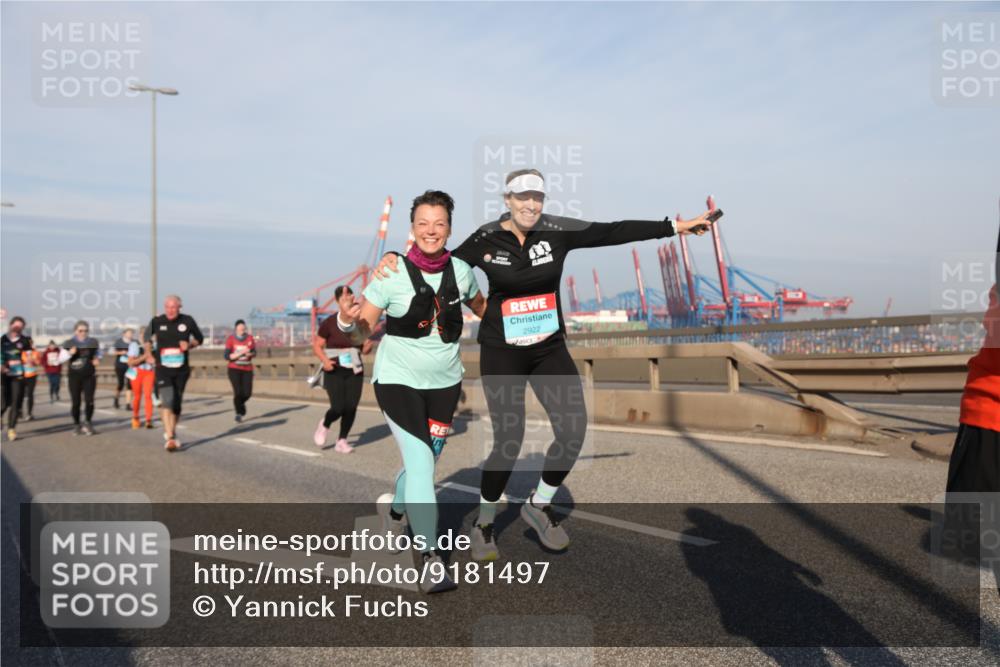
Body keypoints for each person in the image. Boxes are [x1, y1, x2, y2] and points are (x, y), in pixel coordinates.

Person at [375, 169, 717, 560]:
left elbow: (612, 231)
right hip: (502, 350)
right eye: (522, 197)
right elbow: (438, 262)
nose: (530, 204)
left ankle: (538, 506)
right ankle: (484, 524)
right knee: (509, 439)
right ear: (508, 200)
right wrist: (394, 260)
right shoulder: (485, 239)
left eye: (537, 197)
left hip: (547, 348)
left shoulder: (557, 231)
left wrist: (675, 227)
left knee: (574, 430)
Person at [341, 190, 485, 593]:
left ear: (449, 228)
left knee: (427, 463)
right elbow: (362, 330)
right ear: (412, 229)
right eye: (423, 223)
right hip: (397, 380)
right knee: (421, 463)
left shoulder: (461, 270)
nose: (431, 231)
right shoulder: (391, 272)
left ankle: (397, 509)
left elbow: (483, 308)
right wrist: (347, 319)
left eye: (439, 223)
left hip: (445, 383)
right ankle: (431, 558)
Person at [311, 287, 372, 453]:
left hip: (355, 369)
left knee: (351, 407)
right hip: (334, 369)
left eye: (350, 298)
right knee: (337, 407)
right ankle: (325, 424)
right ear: (338, 301)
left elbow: (365, 350)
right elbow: (317, 346)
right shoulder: (329, 323)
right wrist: (324, 361)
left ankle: (342, 440)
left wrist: (367, 346)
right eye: (344, 299)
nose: (348, 301)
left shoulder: (360, 323)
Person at [144, 294, 204, 452]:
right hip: (163, 369)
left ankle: (172, 430)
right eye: (167, 307)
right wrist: (149, 354)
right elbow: (146, 338)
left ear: (179, 307)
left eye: (173, 307)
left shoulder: (188, 321)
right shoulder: (157, 321)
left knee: (176, 405)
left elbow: (200, 339)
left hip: (181, 370)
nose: (170, 310)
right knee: (167, 401)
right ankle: (170, 437)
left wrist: (190, 345)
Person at [62, 320, 101, 436]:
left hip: (89, 375)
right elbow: (60, 359)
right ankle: (76, 425)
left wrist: (98, 359)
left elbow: (98, 353)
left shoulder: (93, 342)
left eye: (85, 331)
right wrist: (70, 353)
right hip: (74, 376)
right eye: (80, 331)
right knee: (76, 402)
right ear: (75, 331)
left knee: (89, 401)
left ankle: (88, 423)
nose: (83, 333)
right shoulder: (69, 342)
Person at [2, 316, 33, 441]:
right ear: (11, 325)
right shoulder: (2, 338)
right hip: (3, 375)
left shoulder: (24, 340)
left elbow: (29, 354)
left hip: (18, 375)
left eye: (20, 326)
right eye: (16, 325)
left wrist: (29, 360)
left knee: (15, 402)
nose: (18, 328)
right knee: (4, 403)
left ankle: (11, 429)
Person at [225, 319, 257, 423]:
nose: (242, 330)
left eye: (243, 328)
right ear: (236, 329)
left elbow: (254, 352)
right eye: (240, 328)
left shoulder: (250, 338)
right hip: (234, 369)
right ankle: (239, 413)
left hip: (247, 368)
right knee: (238, 392)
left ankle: (240, 404)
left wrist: (250, 354)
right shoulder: (231, 339)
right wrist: (241, 353)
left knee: (247, 393)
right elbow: (227, 356)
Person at [127, 327, 156, 430]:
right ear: (140, 335)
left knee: (148, 395)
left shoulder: (153, 345)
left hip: (149, 372)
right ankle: (135, 417)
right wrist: (144, 357)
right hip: (137, 372)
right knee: (137, 396)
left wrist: (154, 360)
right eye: (143, 334)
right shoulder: (134, 345)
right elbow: (130, 362)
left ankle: (149, 420)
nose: (146, 337)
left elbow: (156, 358)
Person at [111, 328, 135, 410]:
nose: (130, 335)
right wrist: (121, 352)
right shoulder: (119, 342)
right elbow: (113, 352)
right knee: (120, 384)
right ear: (124, 334)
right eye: (129, 333)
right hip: (120, 365)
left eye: (131, 333)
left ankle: (128, 404)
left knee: (129, 384)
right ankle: (116, 399)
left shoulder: (134, 342)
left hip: (130, 366)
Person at [20, 345, 41, 422]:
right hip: (22, 375)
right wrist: (24, 362)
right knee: (20, 394)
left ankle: (29, 413)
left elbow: (39, 362)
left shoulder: (35, 352)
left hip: (32, 375)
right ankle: (19, 410)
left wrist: (33, 361)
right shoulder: (21, 352)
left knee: (30, 394)